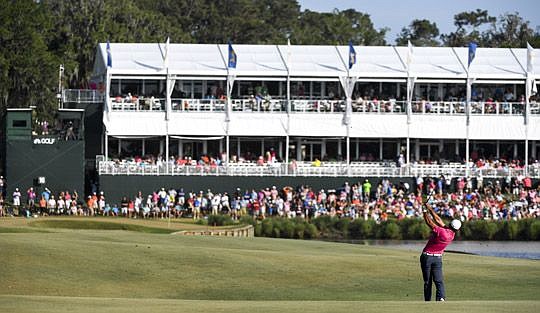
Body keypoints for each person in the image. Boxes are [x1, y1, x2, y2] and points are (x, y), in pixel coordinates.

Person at [420, 203, 462, 302]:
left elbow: (430, 223)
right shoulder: (451, 234)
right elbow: (438, 220)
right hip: (438, 259)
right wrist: (430, 208)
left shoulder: (442, 232)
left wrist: (424, 211)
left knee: (427, 281)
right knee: (439, 281)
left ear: (450, 224)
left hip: (427, 257)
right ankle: (441, 298)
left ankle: (427, 301)